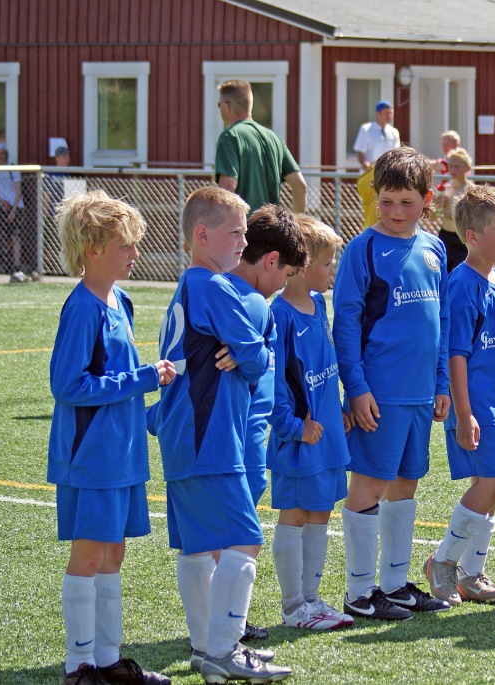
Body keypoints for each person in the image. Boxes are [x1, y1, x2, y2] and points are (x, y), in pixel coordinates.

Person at [149, 186, 292, 683]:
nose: (243, 242)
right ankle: (225, 649)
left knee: (196, 547)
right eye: (235, 232)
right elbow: (255, 358)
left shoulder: (188, 287)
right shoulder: (213, 286)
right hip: (209, 435)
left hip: (183, 435)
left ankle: (205, 647)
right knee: (243, 540)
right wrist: (254, 353)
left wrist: (247, 352)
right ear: (202, 234)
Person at [49, 191, 176, 685]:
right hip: (92, 456)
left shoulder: (120, 300)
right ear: (93, 248)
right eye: (126, 244)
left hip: (123, 452)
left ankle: (108, 660)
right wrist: (141, 379)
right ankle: (79, 666)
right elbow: (68, 386)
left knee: (114, 553)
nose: (135, 253)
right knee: (90, 553)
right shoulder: (82, 307)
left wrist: (148, 387)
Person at [332, 147, 452, 620]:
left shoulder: (434, 248)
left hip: (421, 394)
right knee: (369, 486)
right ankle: (359, 592)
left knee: (406, 485)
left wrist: (441, 382)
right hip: (378, 395)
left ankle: (396, 585)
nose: (396, 211)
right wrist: (357, 388)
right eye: (387, 201)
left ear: (427, 199)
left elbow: (440, 321)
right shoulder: (362, 249)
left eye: (407, 202)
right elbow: (345, 324)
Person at [423, 184, 495, 606]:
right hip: (476, 406)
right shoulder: (462, 284)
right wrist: (464, 414)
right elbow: (456, 355)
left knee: (490, 487)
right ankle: (442, 562)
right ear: (473, 236)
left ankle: (471, 573)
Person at [224, 203, 309, 642]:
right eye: (286, 274)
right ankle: (225, 626)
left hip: (246, 436)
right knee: (236, 534)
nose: (284, 284)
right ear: (271, 261)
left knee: (233, 531)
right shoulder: (247, 300)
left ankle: (226, 623)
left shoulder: (229, 296)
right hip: (234, 437)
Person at [267, 215, 355, 631]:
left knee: (320, 512)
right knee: (295, 515)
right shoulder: (278, 315)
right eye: (327, 261)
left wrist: (335, 409)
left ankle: (312, 600)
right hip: (299, 440)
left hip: (327, 435)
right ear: (301, 266)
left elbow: (322, 367)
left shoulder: (319, 304)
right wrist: (293, 427)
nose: (332, 269)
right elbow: (273, 385)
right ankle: (292, 607)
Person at [215, 79, 307, 215]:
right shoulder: (275, 139)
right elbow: (300, 186)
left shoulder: (230, 137)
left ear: (227, 107)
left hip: (243, 226)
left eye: (219, 105)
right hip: (271, 225)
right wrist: (297, 222)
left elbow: (228, 187)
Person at [0, 145, 31, 281]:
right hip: (2, 207)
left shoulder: (12, 169)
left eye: (2, 153)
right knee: (3, 235)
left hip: (16, 207)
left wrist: (13, 210)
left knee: (15, 236)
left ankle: (16, 265)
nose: (0, 156)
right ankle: (3, 262)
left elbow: (18, 191)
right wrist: (1, 202)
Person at [432, 147, 473, 272]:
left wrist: (456, 215)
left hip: (462, 239)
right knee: (442, 273)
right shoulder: (444, 188)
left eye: (457, 166)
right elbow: (434, 217)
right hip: (445, 236)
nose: (453, 169)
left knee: (460, 272)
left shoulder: (471, 190)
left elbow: (476, 218)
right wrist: (437, 205)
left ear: (467, 168)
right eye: (451, 166)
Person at [353, 100, 401, 171]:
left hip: (386, 173)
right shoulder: (366, 129)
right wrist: (364, 162)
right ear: (378, 114)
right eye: (386, 113)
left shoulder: (394, 131)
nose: (389, 116)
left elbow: (396, 153)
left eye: (391, 113)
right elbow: (360, 151)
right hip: (369, 172)